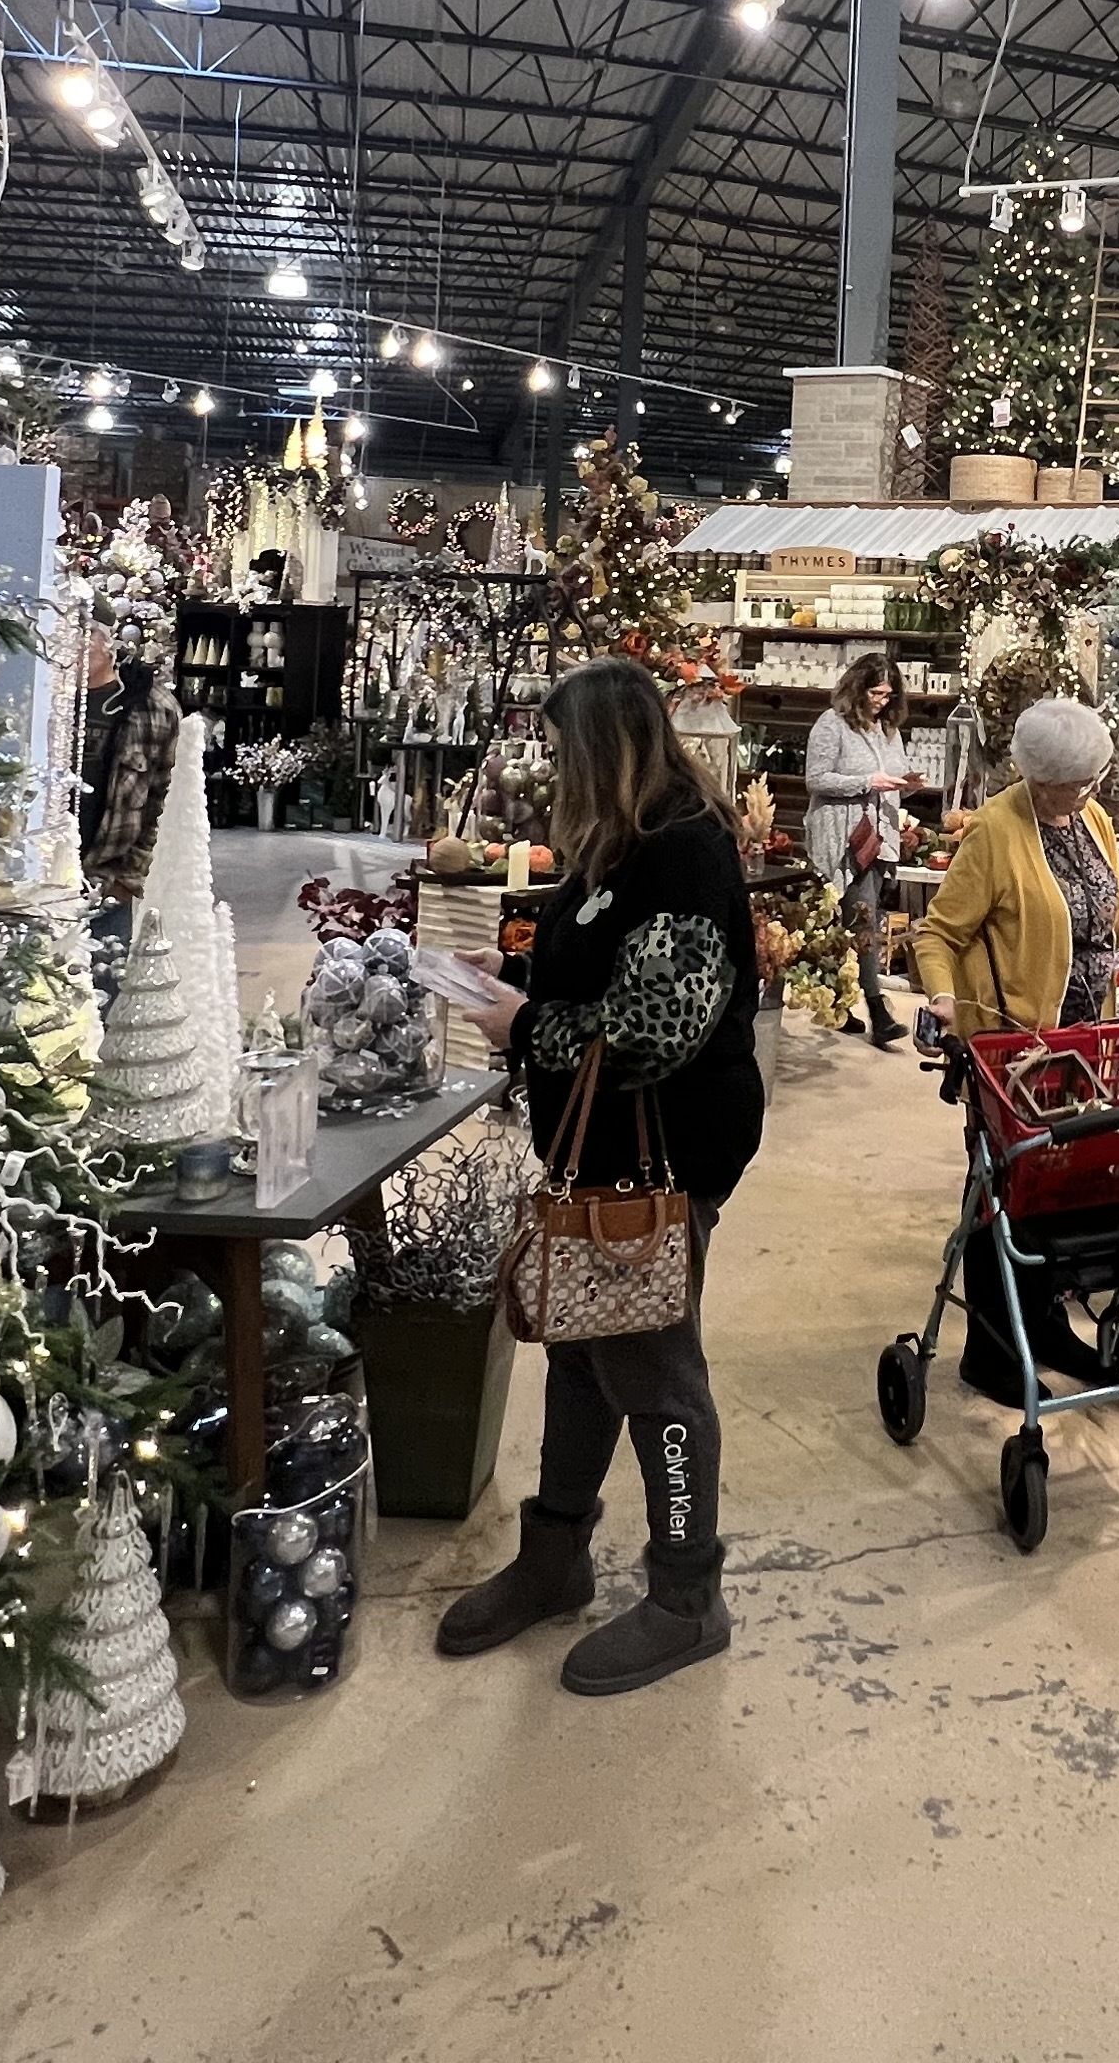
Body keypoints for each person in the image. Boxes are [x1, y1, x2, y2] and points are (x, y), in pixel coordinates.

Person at [434, 655, 764, 1694]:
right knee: (582, 1354)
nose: (551, 774)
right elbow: (606, 963)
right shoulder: (620, 844)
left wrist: (526, 1023)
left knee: (658, 1379)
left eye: (564, 750)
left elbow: (657, 1028)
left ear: (603, 753)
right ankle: (555, 1554)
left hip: (661, 1155)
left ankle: (685, 1595)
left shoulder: (683, 855)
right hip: (600, 1156)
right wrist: (520, 975)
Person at [913, 696, 1119, 1400]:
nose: (1091, 792)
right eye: (1078, 781)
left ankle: (1049, 1329)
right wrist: (943, 999)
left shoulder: (1089, 821)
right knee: (1005, 1194)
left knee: (1062, 1191)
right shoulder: (993, 834)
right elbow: (938, 933)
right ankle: (995, 1349)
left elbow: (1114, 923)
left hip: (1086, 1042)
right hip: (1014, 1053)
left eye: (1095, 778)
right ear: (1037, 777)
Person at [802, 653, 920, 1048]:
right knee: (861, 918)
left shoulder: (887, 730)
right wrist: (867, 781)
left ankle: (840, 1002)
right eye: (876, 692)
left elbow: (895, 771)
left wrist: (906, 785)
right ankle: (878, 1010)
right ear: (858, 687)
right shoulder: (831, 725)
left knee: (854, 920)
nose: (882, 701)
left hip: (878, 835)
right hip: (842, 836)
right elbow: (816, 779)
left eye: (889, 695)